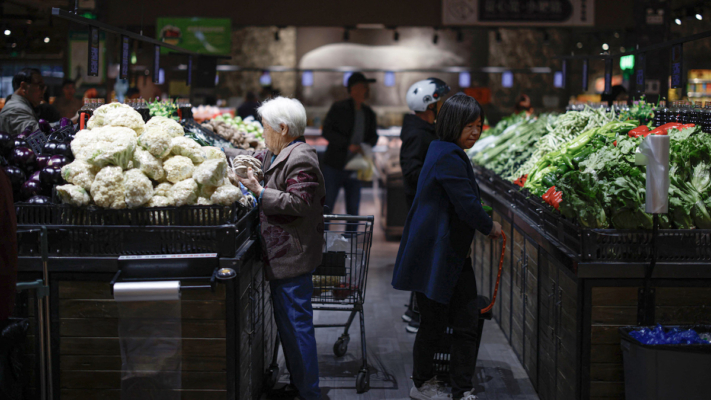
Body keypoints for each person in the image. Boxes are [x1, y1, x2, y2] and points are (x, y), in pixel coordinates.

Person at [392, 94, 502, 400]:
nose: (476, 132)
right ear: (454, 124)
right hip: (439, 256)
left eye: (479, 126)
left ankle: (457, 388)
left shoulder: (442, 149)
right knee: (440, 323)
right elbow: (466, 203)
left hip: (445, 254)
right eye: (470, 125)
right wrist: (488, 225)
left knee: (458, 321)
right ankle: (425, 385)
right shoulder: (449, 155)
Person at [233, 97, 325, 400]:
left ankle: (309, 393)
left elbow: (300, 203)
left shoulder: (302, 157)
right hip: (282, 254)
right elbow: (252, 154)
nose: (263, 134)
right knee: (289, 326)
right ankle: (301, 385)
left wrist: (260, 191)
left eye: (265, 128)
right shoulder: (277, 152)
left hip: (293, 256)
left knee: (297, 327)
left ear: (282, 128)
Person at [399, 78, 451, 334]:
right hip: (422, 205)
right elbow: (411, 171)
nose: (443, 107)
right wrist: (438, 178)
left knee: (423, 257)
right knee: (425, 260)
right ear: (430, 105)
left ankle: (413, 311)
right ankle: (419, 315)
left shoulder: (423, 130)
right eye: (440, 102)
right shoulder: (418, 135)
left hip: (423, 204)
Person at [321, 72, 378, 217]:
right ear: (351, 89)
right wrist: (347, 145)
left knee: (353, 209)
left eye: (364, 87)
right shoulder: (339, 108)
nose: (363, 90)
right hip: (334, 164)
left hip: (356, 165)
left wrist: (364, 147)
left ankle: (350, 239)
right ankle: (322, 238)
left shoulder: (368, 113)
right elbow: (327, 131)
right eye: (359, 87)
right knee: (327, 206)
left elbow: (374, 136)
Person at [0, 68, 43, 136]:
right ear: (24, 87)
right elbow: (35, 133)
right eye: (40, 86)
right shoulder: (15, 108)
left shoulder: (20, 105)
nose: (43, 91)